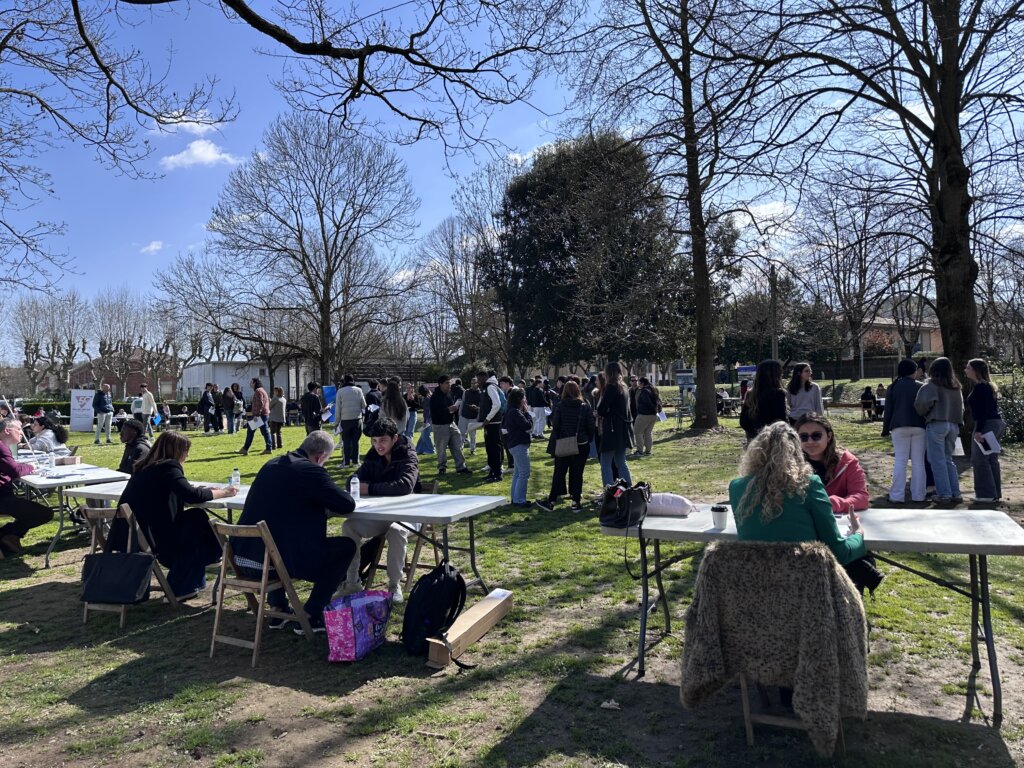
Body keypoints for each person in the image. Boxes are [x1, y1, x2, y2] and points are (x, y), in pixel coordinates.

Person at [729, 421, 882, 594]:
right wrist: (858, 534)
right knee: (860, 562)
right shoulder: (809, 484)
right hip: (805, 587)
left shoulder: (736, 487)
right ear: (796, 451)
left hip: (757, 584)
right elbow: (839, 552)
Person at [233, 430, 357, 631]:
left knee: (275, 540)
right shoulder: (310, 471)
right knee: (345, 547)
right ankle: (311, 613)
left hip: (243, 557)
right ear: (320, 457)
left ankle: (278, 607)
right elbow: (346, 504)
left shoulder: (271, 464)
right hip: (277, 563)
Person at [111, 431, 238, 599]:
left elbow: (180, 490)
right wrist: (224, 492)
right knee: (197, 521)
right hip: (154, 537)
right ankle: (205, 563)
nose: (187, 455)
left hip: (132, 534)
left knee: (195, 520)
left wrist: (201, 490)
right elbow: (193, 496)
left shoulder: (144, 467)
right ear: (177, 451)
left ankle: (194, 577)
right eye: (186, 451)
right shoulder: (168, 467)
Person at [341, 417, 421, 603]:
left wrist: (370, 488)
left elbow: (404, 486)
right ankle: (352, 582)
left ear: (395, 438)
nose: (378, 445)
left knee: (396, 530)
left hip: (411, 513)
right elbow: (352, 481)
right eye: (374, 441)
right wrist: (362, 485)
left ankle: (394, 585)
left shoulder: (407, 453)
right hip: (380, 514)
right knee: (349, 526)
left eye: (383, 440)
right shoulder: (373, 455)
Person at [536, 381, 595, 513]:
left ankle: (551, 501)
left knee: (559, 472)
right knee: (577, 473)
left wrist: (559, 438)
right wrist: (587, 439)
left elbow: (555, 424)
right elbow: (591, 426)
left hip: (564, 442)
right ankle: (576, 502)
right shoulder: (585, 406)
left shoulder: (561, 405)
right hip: (581, 443)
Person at [794, 413, 868, 514]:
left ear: (828, 436)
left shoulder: (847, 462)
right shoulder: (791, 463)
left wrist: (834, 504)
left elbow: (861, 497)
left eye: (816, 436)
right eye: (803, 437)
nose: (810, 441)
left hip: (837, 519)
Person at [915, 357, 965, 503]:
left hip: (937, 423)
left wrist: (926, 413)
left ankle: (944, 493)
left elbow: (921, 406)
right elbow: (961, 408)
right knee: (948, 459)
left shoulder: (931, 386)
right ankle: (955, 493)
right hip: (953, 425)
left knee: (936, 460)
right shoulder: (956, 387)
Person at [0, 418, 52, 556]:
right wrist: (31, 466)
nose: (21, 432)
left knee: (30, 510)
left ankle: (10, 536)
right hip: (2, 498)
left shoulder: (4, 447)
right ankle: (5, 534)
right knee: (45, 513)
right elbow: (16, 471)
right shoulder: (1, 447)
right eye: (18, 429)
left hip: (4, 495)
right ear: (7, 431)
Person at [881, 359, 927, 503]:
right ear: (914, 371)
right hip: (920, 426)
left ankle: (896, 496)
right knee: (918, 462)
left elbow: (888, 410)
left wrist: (885, 429)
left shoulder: (893, 387)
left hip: (899, 426)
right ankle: (919, 495)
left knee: (900, 461)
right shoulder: (921, 386)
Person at [964, 358, 1004, 502]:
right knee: (991, 458)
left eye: (968, 368)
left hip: (986, 425)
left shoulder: (980, 388)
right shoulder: (987, 386)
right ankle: (994, 494)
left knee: (980, 458)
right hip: (995, 424)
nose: (965, 370)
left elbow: (982, 411)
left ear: (975, 370)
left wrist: (979, 431)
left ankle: (985, 494)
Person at [596, 361, 632, 486]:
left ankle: (609, 490)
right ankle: (628, 489)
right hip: (623, 428)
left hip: (612, 428)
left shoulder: (611, 387)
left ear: (608, 373)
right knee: (621, 462)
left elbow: (601, 409)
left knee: (605, 462)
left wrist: (603, 413)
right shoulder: (624, 387)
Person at [429, 376, 471, 476]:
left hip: (451, 423)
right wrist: (448, 409)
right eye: (447, 383)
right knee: (441, 448)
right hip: (440, 426)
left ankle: (461, 467)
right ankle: (442, 468)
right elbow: (435, 413)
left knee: (457, 446)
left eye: (449, 383)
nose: (449, 385)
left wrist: (454, 409)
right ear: (440, 384)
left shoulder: (448, 395)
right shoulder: (434, 397)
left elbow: (451, 408)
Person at [739, 360, 788, 440]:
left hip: (754, 439)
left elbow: (743, 421)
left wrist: (753, 432)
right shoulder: (778, 393)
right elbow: (781, 419)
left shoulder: (750, 393)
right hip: (772, 439)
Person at [502, 388, 532, 507]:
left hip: (514, 444)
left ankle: (515, 499)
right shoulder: (515, 412)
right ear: (519, 399)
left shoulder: (511, 411)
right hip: (518, 445)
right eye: (524, 398)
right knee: (524, 473)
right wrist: (527, 413)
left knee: (518, 473)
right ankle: (519, 500)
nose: (525, 400)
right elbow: (527, 425)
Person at [335, 374, 366, 467]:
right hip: (357, 419)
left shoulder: (340, 391)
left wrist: (336, 422)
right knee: (355, 441)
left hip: (345, 420)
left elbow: (338, 408)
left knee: (346, 442)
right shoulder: (359, 390)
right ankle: (356, 461)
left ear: (344, 381)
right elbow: (364, 405)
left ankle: (346, 462)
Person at [239, 378, 273, 456]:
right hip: (264, 414)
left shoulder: (258, 391)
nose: (250, 384)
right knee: (264, 432)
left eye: (251, 382)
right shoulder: (262, 390)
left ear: (255, 383)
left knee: (251, 431)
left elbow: (260, 403)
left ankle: (245, 449)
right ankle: (268, 448)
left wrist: (256, 415)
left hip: (259, 415)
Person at [631, 377, 661, 458]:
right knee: (648, 433)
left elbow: (647, 403)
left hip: (644, 414)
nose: (638, 384)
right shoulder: (653, 389)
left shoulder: (644, 391)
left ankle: (640, 451)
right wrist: (656, 410)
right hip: (654, 415)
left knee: (638, 432)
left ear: (642, 383)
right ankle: (648, 451)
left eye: (639, 383)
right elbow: (659, 402)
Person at [458, 378, 481, 453]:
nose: (473, 385)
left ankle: (472, 449)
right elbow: (462, 402)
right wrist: (460, 414)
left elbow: (481, 406)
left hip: (473, 417)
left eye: (475, 383)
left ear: (478, 383)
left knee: (472, 435)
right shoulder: (466, 391)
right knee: (462, 433)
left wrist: (476, 409)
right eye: (472, 383)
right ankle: (460, 449)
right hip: (464, 416)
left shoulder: (480, 393)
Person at [415, 383, 435, 455]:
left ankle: (430, 450)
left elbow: (427, 411)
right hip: (431, 418)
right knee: (423, 434)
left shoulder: (426, 398)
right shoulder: (430, 396)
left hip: (428, 419)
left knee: (425, 435)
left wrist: (425, 421)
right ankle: (418, 449)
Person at [269, 386, 287, 450]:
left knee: (273, 432)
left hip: (274, 418)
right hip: (281, 418)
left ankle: (274, 446)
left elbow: (269, 406)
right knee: (278, 432)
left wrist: (269, 400)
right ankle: (280, 444)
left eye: (275, 391)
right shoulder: (284, 399)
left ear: (277, 392)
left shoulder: (275, 399)